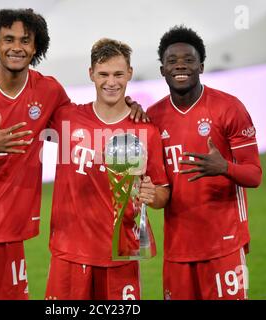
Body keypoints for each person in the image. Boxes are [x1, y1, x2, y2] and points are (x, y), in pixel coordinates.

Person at [0, 9, 146, 300]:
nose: (17, 47)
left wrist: (124, 105)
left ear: (36, 47)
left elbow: (82, 122)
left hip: (8, 234)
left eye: (25, 40)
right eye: (8, 39)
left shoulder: (48, 91)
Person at [44, 38, 169, 300]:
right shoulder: (65, 118)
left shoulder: (146, 131)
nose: (111, 82)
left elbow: (161, 195)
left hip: (120, 255)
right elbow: (26, 98)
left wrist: (151, 195)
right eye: (103, 74)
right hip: (69, 253)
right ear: (91, 74)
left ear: (130, 74)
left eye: (118, 74)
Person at [147, 25, 262, 300]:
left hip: (224, 243)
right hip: (178, 249)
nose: (180, 66)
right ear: (162, 69)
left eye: (188, 60)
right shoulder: (153, 117)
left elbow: (255, 175)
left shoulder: (228, 107)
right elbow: (161, 187)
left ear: (201, 66)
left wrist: (225, 168)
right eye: (172, 61)